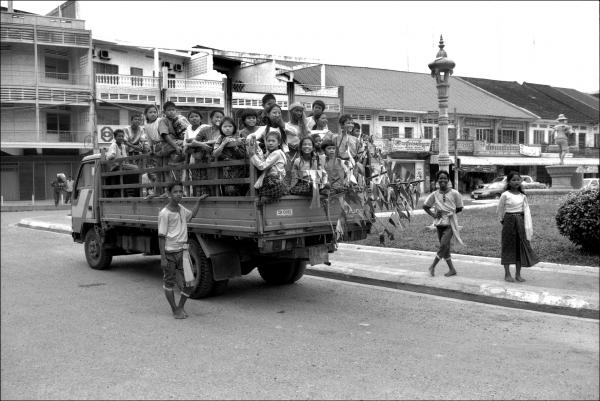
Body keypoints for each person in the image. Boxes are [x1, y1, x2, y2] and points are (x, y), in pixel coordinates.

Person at [158, 181, 208, 319]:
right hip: (169, 254)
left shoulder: (181, 209)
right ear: (169, 194)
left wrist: (198, 201)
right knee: (169, 283)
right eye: (175, 192)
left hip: (183, 253)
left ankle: (180, 307)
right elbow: (161, 237)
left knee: (189, 283)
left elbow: (192, 215)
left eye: (180, 191)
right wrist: (163, 258)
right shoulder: (164, 214)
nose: (179, 194)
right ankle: (175, 309)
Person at [497, 171, 538, 282]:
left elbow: (526, 211)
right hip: (508, 222)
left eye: (518, 179)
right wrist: (504, 222)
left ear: (521, 181)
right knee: (508, 247)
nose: (516, 182)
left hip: (520, 222)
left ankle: (518, 274)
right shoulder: (505, 195)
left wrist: (525, 225)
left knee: (520, 248)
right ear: (509, 182)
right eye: (513, 180)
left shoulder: (523, 196)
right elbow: (500, 210)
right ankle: (507, 274)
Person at [422, 170, 464, 277]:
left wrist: (451, 214)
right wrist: (434, 215)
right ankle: (452, 269)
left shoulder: (455, 193)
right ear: (437, 180)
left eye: (445, 178)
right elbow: (425, 206)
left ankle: (432, 266)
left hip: (450, 224)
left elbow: (459, 208)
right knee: (445, 248)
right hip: (439, 224)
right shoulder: (434, 194)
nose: (443, 180)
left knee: (443, 245)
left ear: (448, 180)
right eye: (440, 178)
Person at [248, 129, 288, 201]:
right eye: (268, 141)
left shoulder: (277, 153)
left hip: (274, 182)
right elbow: (263, 159)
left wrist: (252, 155)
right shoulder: (273, 153)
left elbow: (262, 166)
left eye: (273, 141)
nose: (270, 143)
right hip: (276, 181)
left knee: (253, 191)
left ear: (279, 143)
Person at [157, 101, 190, 184]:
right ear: (164, 112)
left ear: (176, 111)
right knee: (186, 145)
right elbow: (165, 136)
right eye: (169, 110)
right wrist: (175, 146)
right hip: (167, 144)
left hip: (176, 143)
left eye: (173, 110)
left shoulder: (179, 119)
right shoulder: (163, 120)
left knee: (187, 144)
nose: (171, 112)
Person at [212, 116, 247, 196]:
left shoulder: (239, 137)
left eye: (230, 126)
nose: (227, 128)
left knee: (241, 193)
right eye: (225, 126)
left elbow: (243, 154)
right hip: (226, 172)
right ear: (221, 128)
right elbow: (215, 154)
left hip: (240, 171)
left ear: (234, 127)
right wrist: (223, 144)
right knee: (228, 191)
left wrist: (235, 144)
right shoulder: (220, 139)